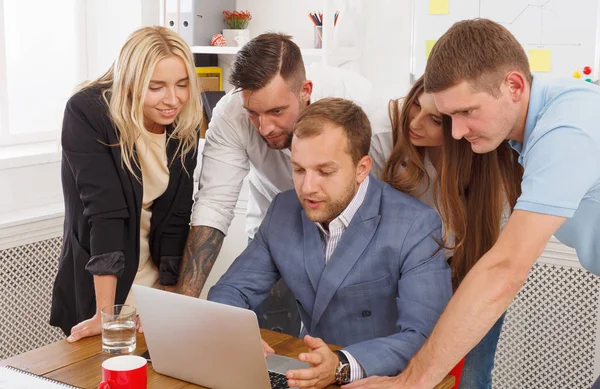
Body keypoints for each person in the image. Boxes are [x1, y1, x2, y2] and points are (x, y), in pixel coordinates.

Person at [345, 19, 600, 389]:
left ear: (514, 86)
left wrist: (411, 382)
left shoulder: (565, 129)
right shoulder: (540, 114)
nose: (456, 132)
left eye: (467, 112)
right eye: (449, 116)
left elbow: (504, 269)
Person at [207, 98, 452, 389]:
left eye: (325, 171)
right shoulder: (282, 211)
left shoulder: (416, 225)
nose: (308, 187)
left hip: (383, 380)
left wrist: (342, 365)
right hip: (311, 374)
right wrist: (235, 334)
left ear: (362, 169)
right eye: (299, 170)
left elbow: (424, 334)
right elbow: (230, 290)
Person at [176, 33, 391, 333]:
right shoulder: (231, 114)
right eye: (254, 113)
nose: (265, 128)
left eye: (277, 112)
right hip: (277, 233)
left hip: (353, 237)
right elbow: (214, 205)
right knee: (274, 340)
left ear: (305, 91)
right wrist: (183, 308)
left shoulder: (362, 107)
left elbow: (387, 194)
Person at [50, 26, 202, 341]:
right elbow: (106, 214)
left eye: (182, 85)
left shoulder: (183, 120)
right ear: (131, 81)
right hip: (103, 282)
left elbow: (176, 218)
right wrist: (105, 315)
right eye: (156, 87)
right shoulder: (88, 113)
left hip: (153, 283)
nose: (172, 100)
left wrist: (168, 299)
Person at [380, 76, 522, 388]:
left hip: (471, 277)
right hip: (407, 279)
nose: (415, 123)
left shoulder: (490, 174)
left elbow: (493, 267)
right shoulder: (389, 142)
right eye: (414, 105)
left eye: (433, 120)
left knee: (470, 378)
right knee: (400, 367)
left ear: (459, 128)